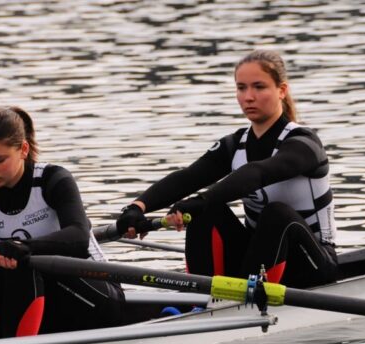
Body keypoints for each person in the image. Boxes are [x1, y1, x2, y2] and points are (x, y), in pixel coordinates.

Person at [116, 50, 338, 288]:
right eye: (241, 88)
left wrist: (201, 200)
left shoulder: (304, 144)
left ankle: (247, 298)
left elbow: (257, 174)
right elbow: (187, 178)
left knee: (277, 213)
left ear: (282, 90)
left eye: (259, 87)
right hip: (261, 262)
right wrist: (137, 207)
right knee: (207, 212)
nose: (248, 97)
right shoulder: (235, 144)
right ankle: (203, 297)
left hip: (312, 264)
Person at [0, 106, 125, 344]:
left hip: (97, 298)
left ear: (23, 150)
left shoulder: (54, 180)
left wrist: (24, 246)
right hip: (39, 301)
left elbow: (79, 239)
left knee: (22, 263)